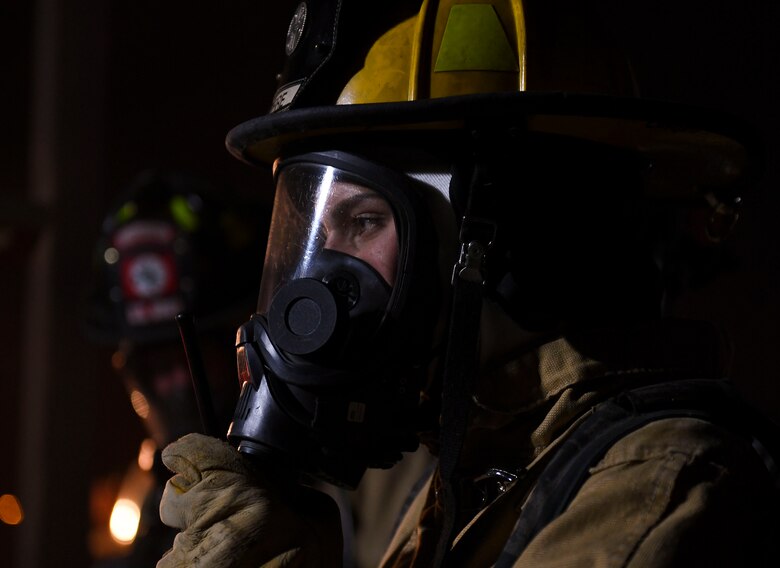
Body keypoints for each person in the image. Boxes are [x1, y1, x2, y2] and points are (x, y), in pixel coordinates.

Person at [155, 1, 778, 567]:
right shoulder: (482, 472)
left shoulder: (657, 484)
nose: (318, 276)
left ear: (507, 239)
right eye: (316, 231)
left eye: (365, 221)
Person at [85, 170, 268, 566]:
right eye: (154, 364)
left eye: (193, 356)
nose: (176, 383)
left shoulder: (320, 490)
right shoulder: (139, 493)